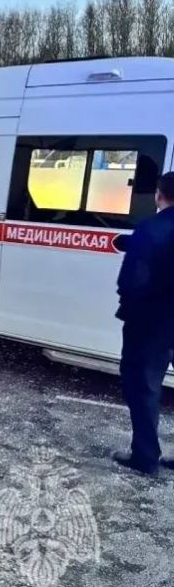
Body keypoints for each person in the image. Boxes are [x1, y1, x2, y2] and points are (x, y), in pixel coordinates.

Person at [113, 170, 174, 475]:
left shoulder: (150, 229)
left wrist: (129, 305)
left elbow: (131, 281)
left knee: (144, 386)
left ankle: (146, 457)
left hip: (152, 322)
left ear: (159, 195)